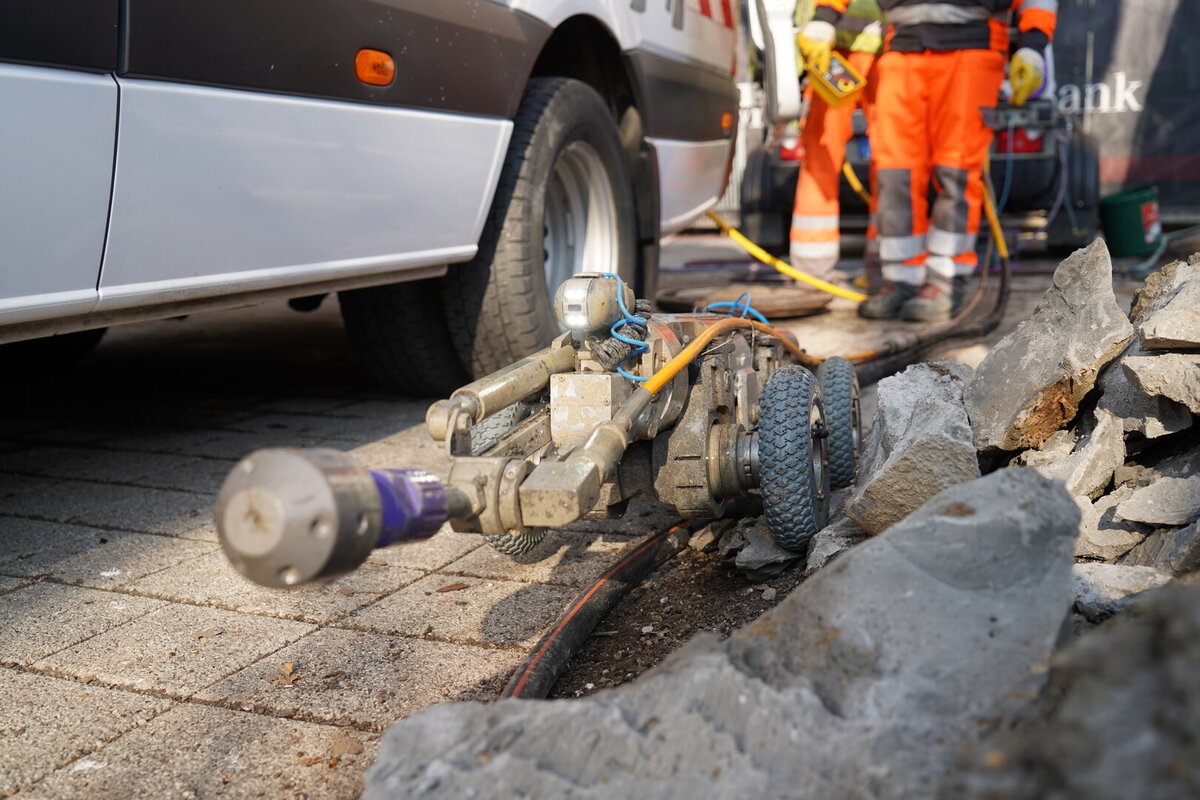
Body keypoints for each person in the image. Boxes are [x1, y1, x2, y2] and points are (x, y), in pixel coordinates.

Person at [802, 0, 1056, 322]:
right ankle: (900, 279)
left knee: (957, 168)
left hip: (973, 46)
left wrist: (1033, 44)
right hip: (903, 46)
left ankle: (946, 280)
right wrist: (824, 17)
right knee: (895, 170)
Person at [791, 0, 885, 304]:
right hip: (840, 49)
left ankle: (882, 268)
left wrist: (823, 18)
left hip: (868, 48)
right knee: (825, 153)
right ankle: (881, 269)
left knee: (891, 159)